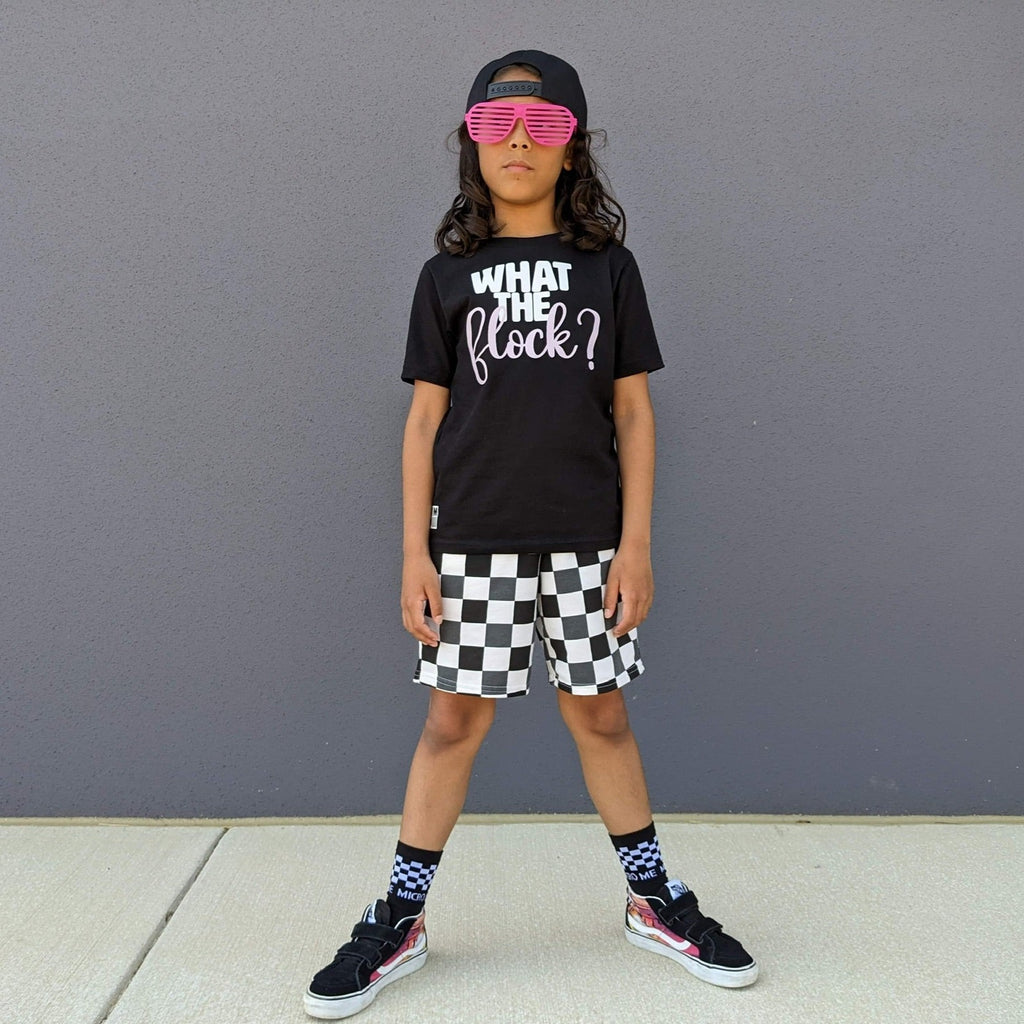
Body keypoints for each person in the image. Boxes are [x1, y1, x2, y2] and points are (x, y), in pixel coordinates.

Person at [303, 49, 758, 1020]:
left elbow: (632, 413)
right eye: (495, 124)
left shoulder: (610, 270)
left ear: (572, 148)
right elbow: (423, 423)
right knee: (452, 722)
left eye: (543, 125)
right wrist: (414, 554)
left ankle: (652, 900)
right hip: (471, 544)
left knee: (601, 714)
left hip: (588, 544)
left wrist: (636, 545)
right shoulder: (444, 278)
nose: (518, 141)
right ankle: (402, 916)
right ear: (471, 144)